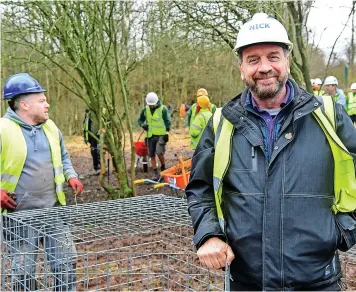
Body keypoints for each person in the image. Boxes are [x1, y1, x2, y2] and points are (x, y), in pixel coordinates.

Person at [185, 12, 356, 291]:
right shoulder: (221, 124)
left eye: (273, 56)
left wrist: (342, 232)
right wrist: (208, 235)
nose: (264, 67)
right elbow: (200, 189)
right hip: (247, 282)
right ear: (241, 67)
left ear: (286, 61)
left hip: (318, 282)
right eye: (253, 59)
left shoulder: (330, 117)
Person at [0, 73, 84, 291]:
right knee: (23, 272)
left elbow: (64, 157)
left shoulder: (50, 127)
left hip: (54, 212)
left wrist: (71, 175)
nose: (47, 104)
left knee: (65, 265)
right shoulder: (3, 129)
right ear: (24, 104)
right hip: (19, 217)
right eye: (41, 100)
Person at [137, 92, 171, 181]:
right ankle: (156, 173)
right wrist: (142, 125)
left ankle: (163, 167)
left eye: (153, 104)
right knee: (151, 155)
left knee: (159, 152)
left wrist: (167, 133)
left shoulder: (163, 109)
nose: (151, 106)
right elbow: (140, 120)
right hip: (150, 136)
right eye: (150, 104)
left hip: (161, 135)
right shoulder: (145, 109)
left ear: (157, 101)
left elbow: (167, 121)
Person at [83, 108, 100, 175]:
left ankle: (100, 167)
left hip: (98, 134)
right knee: (94, 151)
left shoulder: (99, 110)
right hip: (91, 136)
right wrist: (85, 136)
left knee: (98, 151)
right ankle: (97, 168)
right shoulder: (88, 112)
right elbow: (85, 124)